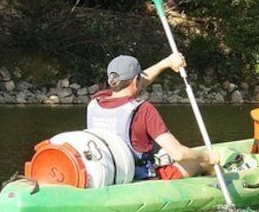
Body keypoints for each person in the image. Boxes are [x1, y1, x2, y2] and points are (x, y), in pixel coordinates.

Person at [87, 53, 218, 180]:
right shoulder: (143, 110)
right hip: (141, 177)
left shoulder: (97, 100)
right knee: (202, 163)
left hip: (109, 173)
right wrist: (207, 157)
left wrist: (167, 62)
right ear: (135, 80)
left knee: (164, 154)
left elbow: (137, 84)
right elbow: (178, 154)